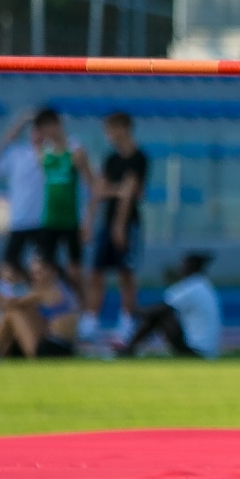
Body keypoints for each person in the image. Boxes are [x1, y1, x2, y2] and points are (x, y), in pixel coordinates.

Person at [0, 106, 84, 274]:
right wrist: (17, 126)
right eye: (35, 129)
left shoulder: (54, 153)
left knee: (49, 268)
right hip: (19, 220)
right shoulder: (17, 154)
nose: (38, 134)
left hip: (43, 221)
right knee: (10, 267)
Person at [84, 111, 149, 337]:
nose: (108, 135)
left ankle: (126, 321)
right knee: (96, 272)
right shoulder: (111, 159)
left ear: (124, 129)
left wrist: (119, 226)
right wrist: (88, 222)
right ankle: (91, 320)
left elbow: (130, 194)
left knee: (126, 274)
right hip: (107, 222)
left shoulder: (138, 158)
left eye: (111, 130)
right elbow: (99, 191)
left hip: (128, 224)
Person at [126, 251, 222, 358]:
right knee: (162, 314)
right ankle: (129, 348)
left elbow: (162, 308)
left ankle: (128, 349)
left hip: (196, 351)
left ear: (190, 267)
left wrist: (133, 310)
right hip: (208, 351)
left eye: (183, 264)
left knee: (160, 315)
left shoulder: (190, 288)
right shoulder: (204, 286)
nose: (179, 268)